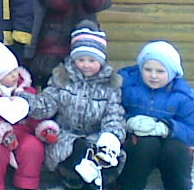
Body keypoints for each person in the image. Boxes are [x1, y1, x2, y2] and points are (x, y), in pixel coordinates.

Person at [20, 22, 126, 190]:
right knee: (78, 148)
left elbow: (114, 115)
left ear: (101, 61)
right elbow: (47, 103)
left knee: (100, 154)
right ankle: (74, 181)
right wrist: (27, 102)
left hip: (96, 136)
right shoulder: (62, 79)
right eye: (81, 59)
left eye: (92, 60)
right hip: (65, 136)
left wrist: (110, 136)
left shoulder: (109, 86)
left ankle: (95, 182)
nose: (86, 65)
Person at [117, 41, 194, 190]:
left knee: (177, 150)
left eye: (160, 71)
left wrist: (168, 128)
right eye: (148, 69)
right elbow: (110, 111)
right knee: (145, 145)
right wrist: (128, 121)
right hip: (138, 143)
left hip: (170, 144)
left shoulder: (183, 95)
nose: (153, 76)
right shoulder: (126, 85)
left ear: (172, 72)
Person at [0, 37, 59, 190]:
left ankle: (26, 184)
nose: (15, 75)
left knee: (33, 147)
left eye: (15, 70)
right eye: (8, 73)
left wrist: (43, 128)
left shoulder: (26, 91)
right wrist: (1, 132)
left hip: (23, 132)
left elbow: (34, 113)